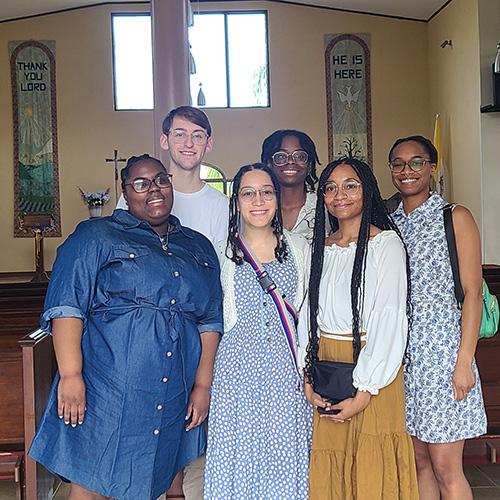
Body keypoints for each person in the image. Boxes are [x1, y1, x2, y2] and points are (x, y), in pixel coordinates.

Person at [29, 154, 223, 500]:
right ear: (125, 191)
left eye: (161, 180)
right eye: (141, 183)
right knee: (94, 477)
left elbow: (209, 320)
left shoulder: (196, 246)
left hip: (173, 386)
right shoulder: (97, 236)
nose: (154, 189)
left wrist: (203, 385)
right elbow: (67, 306)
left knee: (167, 477)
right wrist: (71, 376)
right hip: (108, 386)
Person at [304, 157, 418, 500]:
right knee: (335, 467)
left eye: (350, 185)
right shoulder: (318, 247)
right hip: (328, 364)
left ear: (367, 190)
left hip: (372, 367)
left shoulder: (385, 245)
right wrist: (307, 375)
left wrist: (365, 390)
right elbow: (307, 312)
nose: (340, 195)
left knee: (371, 466)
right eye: (331, 187)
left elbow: (389, 317)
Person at [204, 163, 312, 499]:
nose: (258, 200)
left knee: (285, 451)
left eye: (266, 191)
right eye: (248, 193)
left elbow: (307, 312)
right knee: (239, 453)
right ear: (236, 201)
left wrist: (308, 369)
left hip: (286, 371)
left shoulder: (299, 248)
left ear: (277, 198)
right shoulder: (220, 252)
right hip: (236, 372)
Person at [389, 135, 487, 500]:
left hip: (444, 358)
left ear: (432, 168)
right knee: (418, 462)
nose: (406, 170)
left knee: (447, 468)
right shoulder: (388, 221)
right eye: (398, 163)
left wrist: (464, 361)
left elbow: (473, 294)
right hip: (403, 360)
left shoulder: (455, 217)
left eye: (416, 162)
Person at [117, 106, 228, 246]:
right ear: (164, 140)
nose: (189, 144)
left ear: (209, 144)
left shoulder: (222, 206)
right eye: (180, 135)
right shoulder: (137, 194)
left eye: (198, 136)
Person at [260, 129, 321, 242]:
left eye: (299, 156)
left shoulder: (325, 208)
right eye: (281, 156)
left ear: (309, 164)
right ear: (268, 163)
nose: (291, 161)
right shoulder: (257, 209)